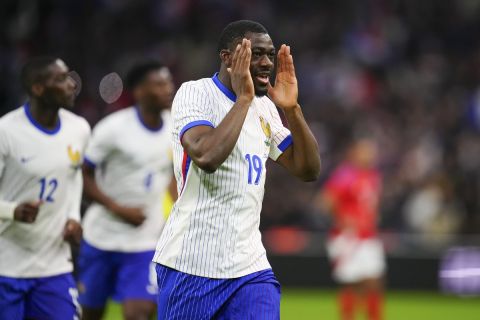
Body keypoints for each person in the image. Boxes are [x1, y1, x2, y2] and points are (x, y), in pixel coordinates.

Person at [153, 20, 321, 319]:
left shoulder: (266, 108)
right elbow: (206, 156)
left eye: (270, 54)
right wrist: (243, 98)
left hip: (250, 267)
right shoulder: (195, 94)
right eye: (255, 54)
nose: (267, 62)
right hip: (191, 264)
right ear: (228, 58)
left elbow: (307, 169)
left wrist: (292, 109)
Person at [78, 61, 177, 320]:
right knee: (90, 314)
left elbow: (172, 176)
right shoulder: (113, 128)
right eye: (159, 84)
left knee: (140, 314)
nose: (168, 89)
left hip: (145, 241)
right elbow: (83, 174)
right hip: (101, 238)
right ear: (139, 91)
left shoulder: (176, 128)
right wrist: (117, 208)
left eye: (168, 82)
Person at [0, 56, 90, 320]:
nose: (71, 84)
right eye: (61, 79)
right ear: (38, 89)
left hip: (54, 266)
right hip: (7, 265)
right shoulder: (6, 131)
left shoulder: (79, 129)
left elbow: (74, 177)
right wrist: (12, 211)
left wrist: (73, 216)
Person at [315, 137, 385, 320]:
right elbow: (325, 201)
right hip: (349, 237)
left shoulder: (372, 176)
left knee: (373, 283)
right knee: (353, 283)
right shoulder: (346, 175)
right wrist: (343, 219)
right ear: (353, 153)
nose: (369, 155)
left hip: (368, 236)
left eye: (371, 151)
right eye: (364, 151)